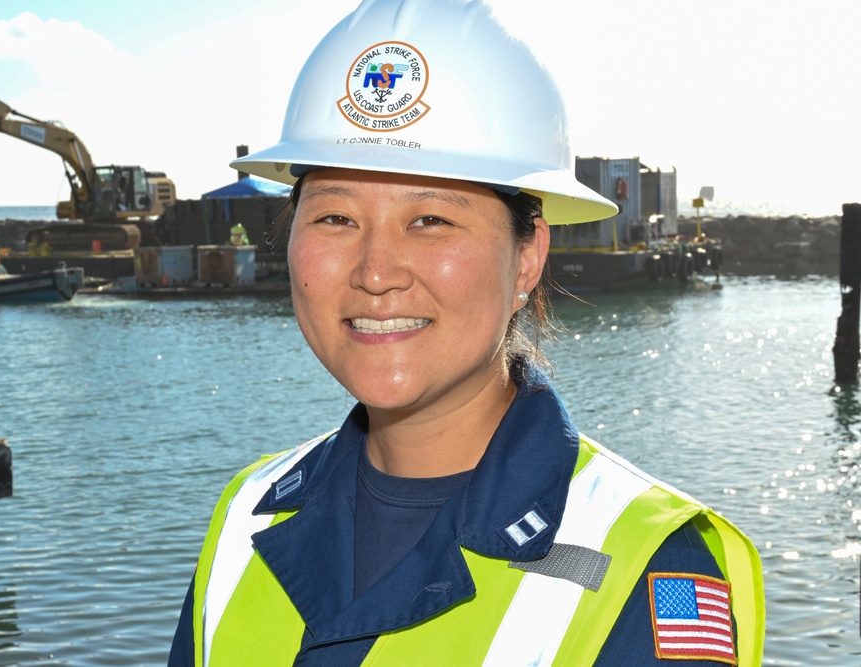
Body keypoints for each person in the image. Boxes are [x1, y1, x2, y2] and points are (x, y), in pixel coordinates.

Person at [168, 1, 764, 665]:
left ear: (528, 257)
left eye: (430, 220)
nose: (375, 272)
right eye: (336, 217)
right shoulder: (246, 514)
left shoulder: (642, 565)